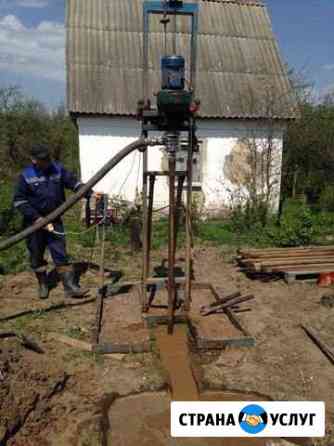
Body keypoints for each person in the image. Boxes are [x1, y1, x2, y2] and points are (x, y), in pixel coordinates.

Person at [13, 144, 92, 300]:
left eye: (48, 158)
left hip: (54, 219)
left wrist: (89, 193)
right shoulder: (26, 176)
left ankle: (70, 287)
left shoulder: (58, 169)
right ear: (34, 160)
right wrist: (37, 218)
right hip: (34, 223)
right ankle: (43, 284)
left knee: (60, 252)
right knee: (36, 254)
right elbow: (19, 201)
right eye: (43, 159)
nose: (47, 161)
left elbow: (73, 183)